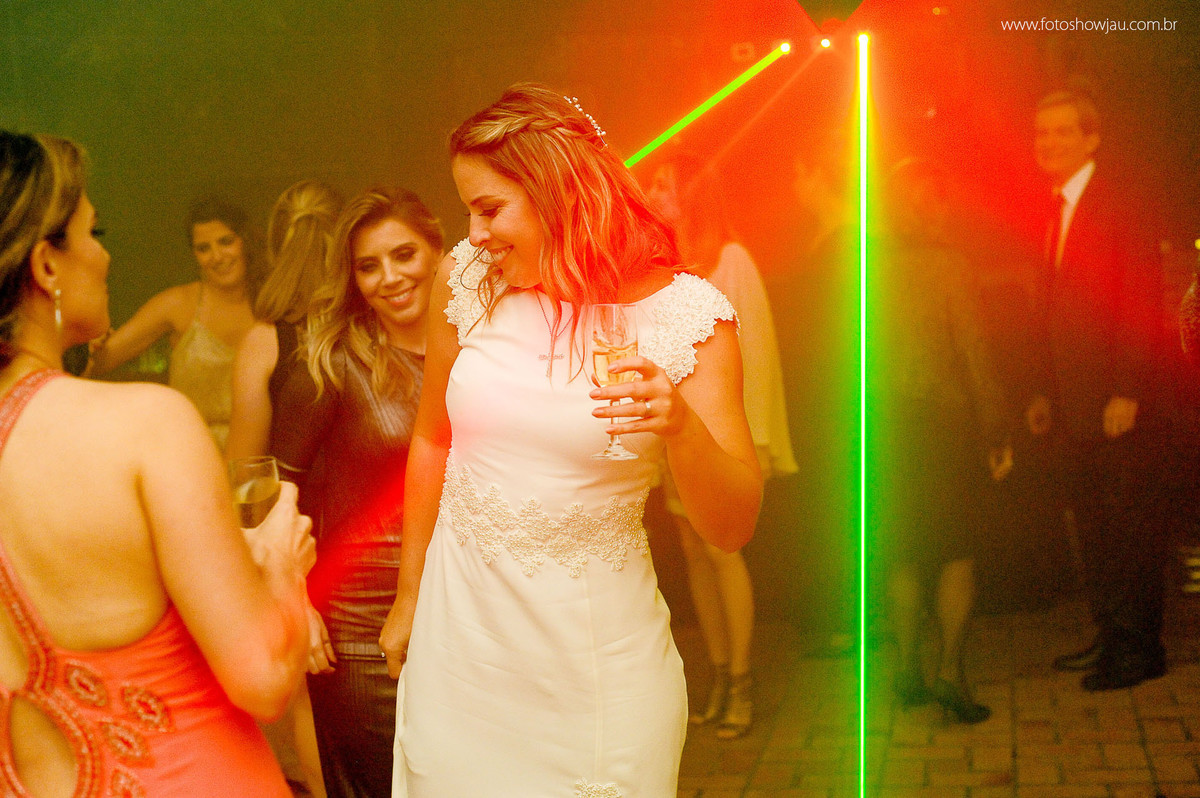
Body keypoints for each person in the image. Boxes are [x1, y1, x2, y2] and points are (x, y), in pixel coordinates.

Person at [380, 84, 762, 797]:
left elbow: (733, 525)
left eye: (490, 208)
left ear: (555, 194)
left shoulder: (688, 318)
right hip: (460, 660)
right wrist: (408, 596)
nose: (475, 232)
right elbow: (432, 438)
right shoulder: (467, 282)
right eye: (468, 210)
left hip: (597, 674)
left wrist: (680, 427)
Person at [0, 131, 314, 795]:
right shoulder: (145, 427)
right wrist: (282, 568)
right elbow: (262, 679)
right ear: (46, 266)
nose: (105, 254)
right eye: (92, 231)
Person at [270, 186, 441, 798]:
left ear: (438, 251)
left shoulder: (482, 352)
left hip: (466, 610)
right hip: (363, 629)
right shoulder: (332, 362)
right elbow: (274, 490)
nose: (389, 278)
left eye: (404, 255)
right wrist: (294, 601)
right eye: (369, 266)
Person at [644, 150, 796, 739]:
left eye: (663, 183)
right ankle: (715, 672)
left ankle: (741, 681)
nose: (652, 192)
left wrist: (747, 444)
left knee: (722, 550)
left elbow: (752, 356)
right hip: (675, 435)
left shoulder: (731, 259)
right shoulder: (665, 265)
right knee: (691, 553)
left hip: (721, 436)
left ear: (692, 193)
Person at [1031, 89, 1173, 691]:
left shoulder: (1118, 206)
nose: (1049, 142)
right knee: (1093, 527)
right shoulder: (1054, 206)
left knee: (1127, 528)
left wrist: (1127, 390)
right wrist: (1044, 392)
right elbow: (1054, 311)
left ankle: (1139, 649)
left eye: (1063, 131)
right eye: (1042, 132)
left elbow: (1142, 299)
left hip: (1115, 402)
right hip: (1073, 400)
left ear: (1092, 139)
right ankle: (1112, 633)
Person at [871, 157, 1012, 724]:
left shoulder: (868, 266)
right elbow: (974, 351)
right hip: (946, 425)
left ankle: (907, 671)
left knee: (903, 554)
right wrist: (997, 427)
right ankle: (951, 672)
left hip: (888, 425)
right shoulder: (952, 266)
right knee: (957, 555)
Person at [227, 179, 342, 798]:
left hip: (306, 554)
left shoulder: (265, 340)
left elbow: (247, 478)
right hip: (389, 548)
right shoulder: (377, 326)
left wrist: (288, 589)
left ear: (274, 246)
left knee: (313, 710)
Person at [87, 196, 263, 449]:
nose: (217, 256)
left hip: (262, 456)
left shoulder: (271, 303)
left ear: (245, 241)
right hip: (192, 452)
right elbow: (98, 362)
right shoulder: (177, 304)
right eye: (204, 248)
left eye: (226, 242)